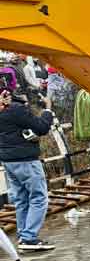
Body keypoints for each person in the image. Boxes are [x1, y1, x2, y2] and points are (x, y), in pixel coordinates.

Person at [0, 87, 55, 251]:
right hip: (26, 160)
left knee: (21, 200)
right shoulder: (16, 110)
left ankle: (24, 236)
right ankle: (29, 238)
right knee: (39, 197)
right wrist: (47, 109)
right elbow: (41, 127)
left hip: (8, 161)